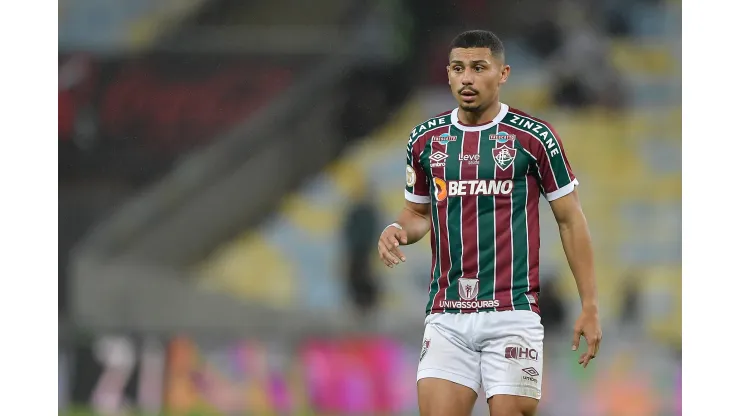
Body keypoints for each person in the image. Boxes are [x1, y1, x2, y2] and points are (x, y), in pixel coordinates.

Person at [377, 30, 602, 416]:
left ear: (503, 74)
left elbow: (570, 220)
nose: (467, 78)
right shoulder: (425, 140)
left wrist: (590, 304)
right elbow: (416, 214)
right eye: (458, 68)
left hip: (512, 312)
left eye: (479, 68)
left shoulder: (535, 138)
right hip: (447, 313)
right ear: (448, 74)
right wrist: (396, 230)